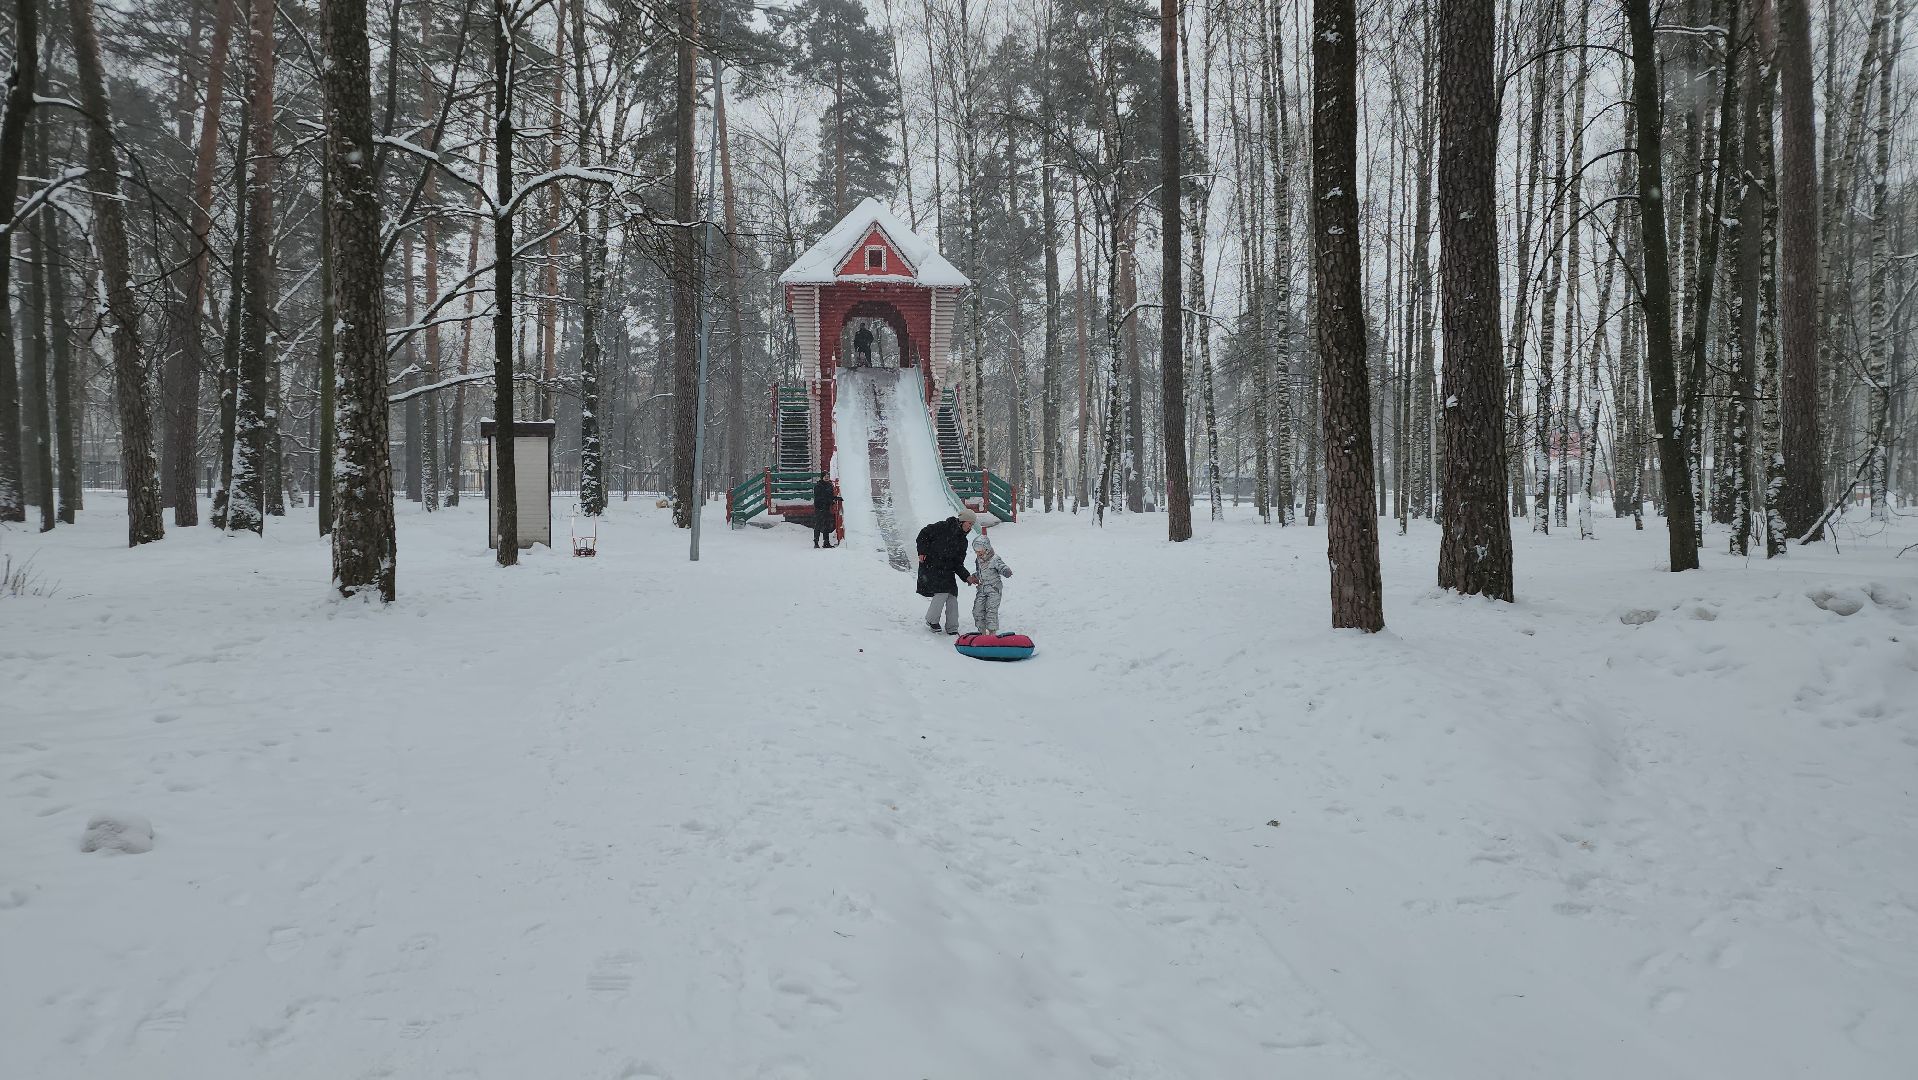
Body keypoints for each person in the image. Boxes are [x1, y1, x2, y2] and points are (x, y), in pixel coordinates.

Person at [915, 508, 975, 633]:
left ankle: (952, 627)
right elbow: (923, 534)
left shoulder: (963, 541)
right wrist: (922, 551)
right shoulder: (943, 527)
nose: (970, 527)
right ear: (962, 521)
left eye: (972, 525)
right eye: (970, 523)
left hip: (947, 570)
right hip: (930, 565)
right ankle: (932, 620)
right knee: (942, 592)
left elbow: (958, 564)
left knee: (952, 596)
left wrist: (967, 577)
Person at [968, 531, 1014, 635]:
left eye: (980, 551)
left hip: (994, 589)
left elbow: (1001, 566)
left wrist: (1006, 571)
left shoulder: (994, 559)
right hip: (982, 589)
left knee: (991, 611)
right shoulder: (978, 560)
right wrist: (974, 577)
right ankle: (982, 632)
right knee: (977, 610)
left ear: (987, 548)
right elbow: (980, 572)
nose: (978, 554)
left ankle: (992, 633)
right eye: (976, 552)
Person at [811, 476, 840, 549]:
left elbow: (829, 496)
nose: (826, 478)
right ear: (822, 477)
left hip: (827, 507)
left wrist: (835, 498)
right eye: (825, 477)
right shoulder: (818, 486)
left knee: (826, 525)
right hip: (819, 508)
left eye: (827, 476)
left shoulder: (830, 485)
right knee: (818, 524)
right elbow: (819, 497)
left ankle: (826, 542)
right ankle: (816, 542)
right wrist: (829, 500)